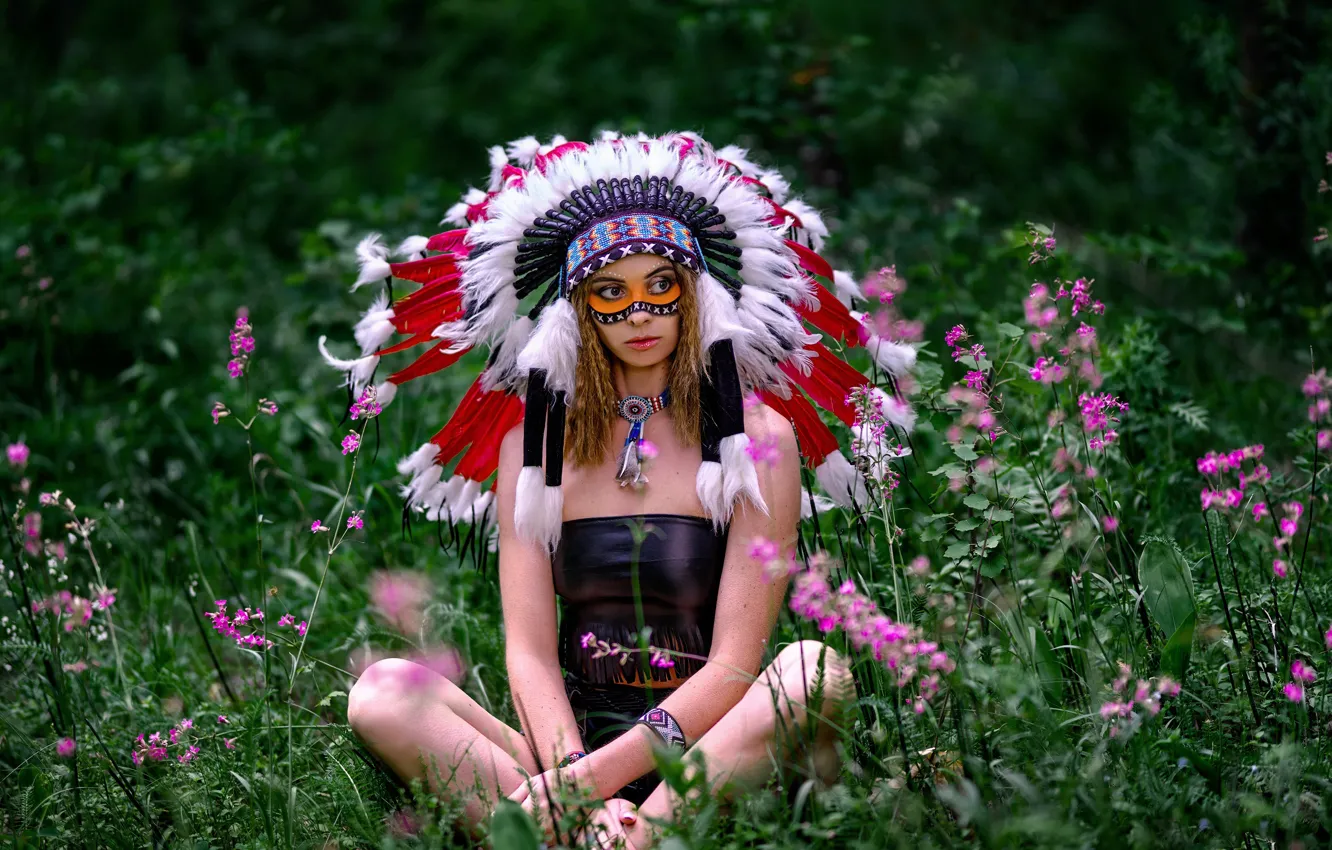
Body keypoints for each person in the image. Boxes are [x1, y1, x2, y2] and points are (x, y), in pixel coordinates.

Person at [325, 132, 918, 847]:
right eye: (611, 292)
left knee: (813, 671)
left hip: (712, 757)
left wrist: (605, 786)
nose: (639, 314)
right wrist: (577, 780)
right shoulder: (534, 443)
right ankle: (600, 837)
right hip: (567, 757)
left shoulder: (756, 438)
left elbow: (736, 661)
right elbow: (531, 654)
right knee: (383, 690)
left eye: (659, 288)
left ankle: (634, 836)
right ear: (579, 308)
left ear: (693, 294)